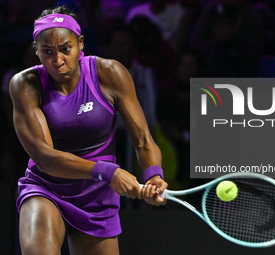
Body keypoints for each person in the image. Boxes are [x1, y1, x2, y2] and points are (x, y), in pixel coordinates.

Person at [9, 6, 168, 255]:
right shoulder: (25, 85)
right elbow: (44, 157)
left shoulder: (110, 73)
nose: (58, 60)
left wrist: (153, 176)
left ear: (80, 44)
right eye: (47, 52)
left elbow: (143, 140)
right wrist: (108, 171)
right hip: (47, 187)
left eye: (65, 49)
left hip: (96, 196)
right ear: (36, 51)